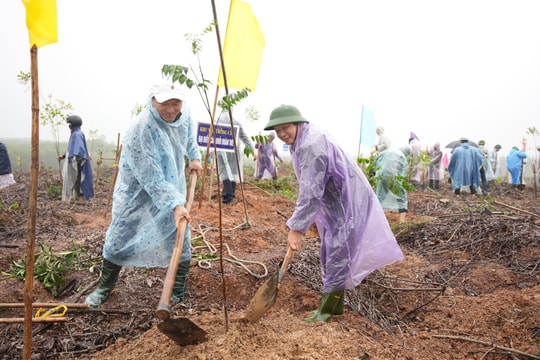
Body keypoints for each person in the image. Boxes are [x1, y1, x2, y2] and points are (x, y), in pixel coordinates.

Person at [263, 104, 404, 323]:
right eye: (278, 130)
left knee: (337, 253)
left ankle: (326, 311)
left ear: (298, 123)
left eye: (286, 128)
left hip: (347, 204)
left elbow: (311, 192)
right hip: (338, 204)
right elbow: (311, 187)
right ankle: (334, 307)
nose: (282, 134)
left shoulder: (310, 144)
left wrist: (297, 228)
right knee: (331, 251)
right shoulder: (302, 140)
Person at [84, 83, 203, 307]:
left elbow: (189, 136)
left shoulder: (184, 113)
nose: (171, 109)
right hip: (137, 189)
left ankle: (178, 291)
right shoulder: (142, 128)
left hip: (172, 185)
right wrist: (175, 204)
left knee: (178, 236)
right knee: (120, 235)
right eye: (164, 103)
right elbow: (151, 177)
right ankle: (105, 287)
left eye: (175, 103)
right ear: (152, 101)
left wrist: (194, 157)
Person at [215, 110, 256, 204]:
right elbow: (244, 137)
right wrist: (253, 151)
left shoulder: (217, 121)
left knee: (225, 173)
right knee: (232, 173)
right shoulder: (235, 122)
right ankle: (231, 194)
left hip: (223, 152)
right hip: (233, 152)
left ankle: (227, 197)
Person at [58, 115, 94, 204]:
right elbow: (71, 149)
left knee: (76, 179)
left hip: (77, 162)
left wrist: (75, 161)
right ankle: (76, 199)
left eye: (70, 124)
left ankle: (76, 199)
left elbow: (79, 150)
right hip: (76, 161)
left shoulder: (77, 134)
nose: (69, 126)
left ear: (73, 124)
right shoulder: (76, 133)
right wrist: (63, 156)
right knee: (76, 179)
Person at [375, 146, 410, 222]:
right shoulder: (402, 156)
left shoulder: (387, 151)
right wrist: (399, 185)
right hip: (393, 176)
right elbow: (402, 175)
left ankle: (377, 218)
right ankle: (402, 220)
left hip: (381, 176)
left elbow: (376, 160)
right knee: (402, 197)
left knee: (380, 197)